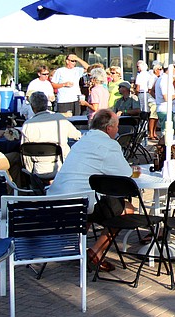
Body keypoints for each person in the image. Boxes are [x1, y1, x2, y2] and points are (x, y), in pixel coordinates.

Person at [49, 109, 133, 272]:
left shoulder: (81, 141)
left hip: (56, 199)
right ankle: (95, 252)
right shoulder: (109, 144)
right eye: (116, 127)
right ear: (109, 128)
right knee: (127, 209)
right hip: (80, 203)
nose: (117, 130)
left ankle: (76, 248)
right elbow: (126, 174)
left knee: (92, 201)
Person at [20, 91, 81, 178]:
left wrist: (30, 170)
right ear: (46, 105)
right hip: (61, 166)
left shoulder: (28, 125)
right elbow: (77, 135)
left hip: (37, 168)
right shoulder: (59, 119)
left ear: (32, 107)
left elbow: (25, 150)